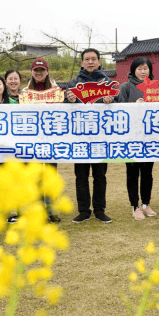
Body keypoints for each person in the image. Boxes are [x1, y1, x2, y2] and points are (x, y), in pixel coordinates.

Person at [65, 48, 115, 224]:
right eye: (87, 59)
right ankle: (84, 211)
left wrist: (111, 101)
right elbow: (64, 108)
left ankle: (100, 210)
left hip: (101, 137)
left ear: (99, 61)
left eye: (94, 59)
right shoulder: (73, 83)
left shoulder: (108, 82)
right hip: (80, 138)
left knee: (100, 175)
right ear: (82, 62)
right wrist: (69, 100)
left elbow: (118, 105)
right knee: (81, 176)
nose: (91, 62)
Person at [116, 57, 158, 220]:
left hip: (150, 137)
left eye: (145, 68)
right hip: (131, 138)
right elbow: (120, 109)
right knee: (133, 173)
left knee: (148, 172)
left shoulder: (155, 87)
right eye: (139, 68)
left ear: (150, 70)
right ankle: (134, 206)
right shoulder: (126, 87)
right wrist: (135, 105)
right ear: (133, 70)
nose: (142, 71)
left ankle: (145, 204)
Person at [22, 58, 62, 223]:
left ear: (47, 72)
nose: (39, 73)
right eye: (36, 71)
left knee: (50, 176)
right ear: (32, 72)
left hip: (51, 140)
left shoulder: (56, 91)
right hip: (32, 140)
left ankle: (51, 210)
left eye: (42, 70)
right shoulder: (25, 92)